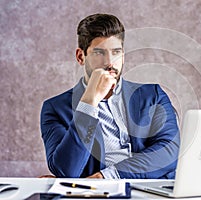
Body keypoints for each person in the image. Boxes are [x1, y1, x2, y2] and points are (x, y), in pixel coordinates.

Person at [40, 13, 180, 179]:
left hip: (151, 191)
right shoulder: (55, 108)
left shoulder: (152, 95)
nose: (110, 62)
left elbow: (169, 152)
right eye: (99, 53)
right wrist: (89, 102)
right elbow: (67, 170)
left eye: (116, 52)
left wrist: (106, 176)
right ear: (80, 56)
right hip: (97, 196)